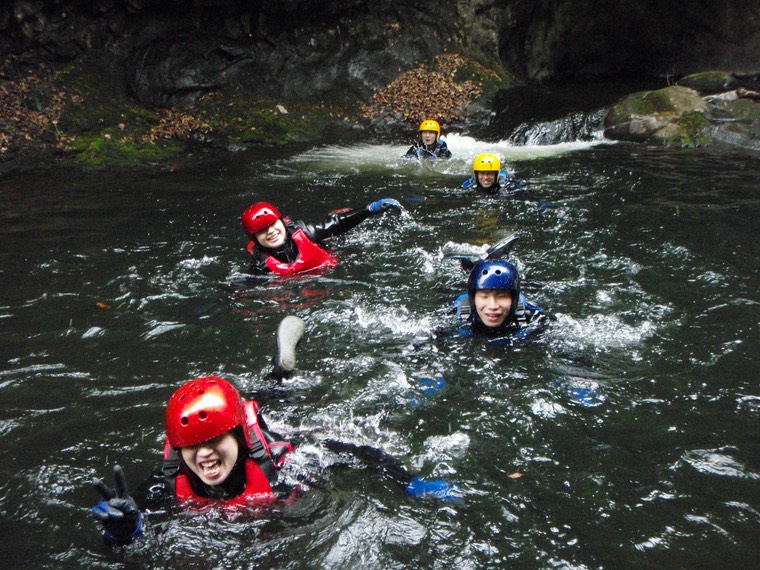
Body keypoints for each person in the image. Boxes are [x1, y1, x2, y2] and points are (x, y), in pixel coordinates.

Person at [91, 320, 458, 547]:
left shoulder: (282, 462)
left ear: (236, 435)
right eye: (193, 446)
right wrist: (124, 532)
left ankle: (280, 371)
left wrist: (410, 482)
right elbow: (128, 541)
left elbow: (355, 451)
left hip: (279, 429)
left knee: (274, 400)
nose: (203, 455)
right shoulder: (169, 479)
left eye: (215, 441)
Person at [242, 199, 402, 275]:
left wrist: (370, 209)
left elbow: (338, 223)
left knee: (344, 239)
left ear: (282, 222)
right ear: (254, 238)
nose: (270, 232)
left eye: (272, 224)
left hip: (332, 262)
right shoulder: (261, 267)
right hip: (310, 284)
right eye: (262, 230)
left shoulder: (305, 232)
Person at [452, 259, 548, 341]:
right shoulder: (458, 316)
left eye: (501, 297)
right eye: (484, 297)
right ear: (473, 299)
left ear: (514, 299)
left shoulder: (534, 319)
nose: (492, 306)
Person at [460, 153, 525, 195]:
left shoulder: (509, 185)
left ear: (497, 175)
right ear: (476, 174)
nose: (485, 177)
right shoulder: (468, 185)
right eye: (482, 173)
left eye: (489, 173)